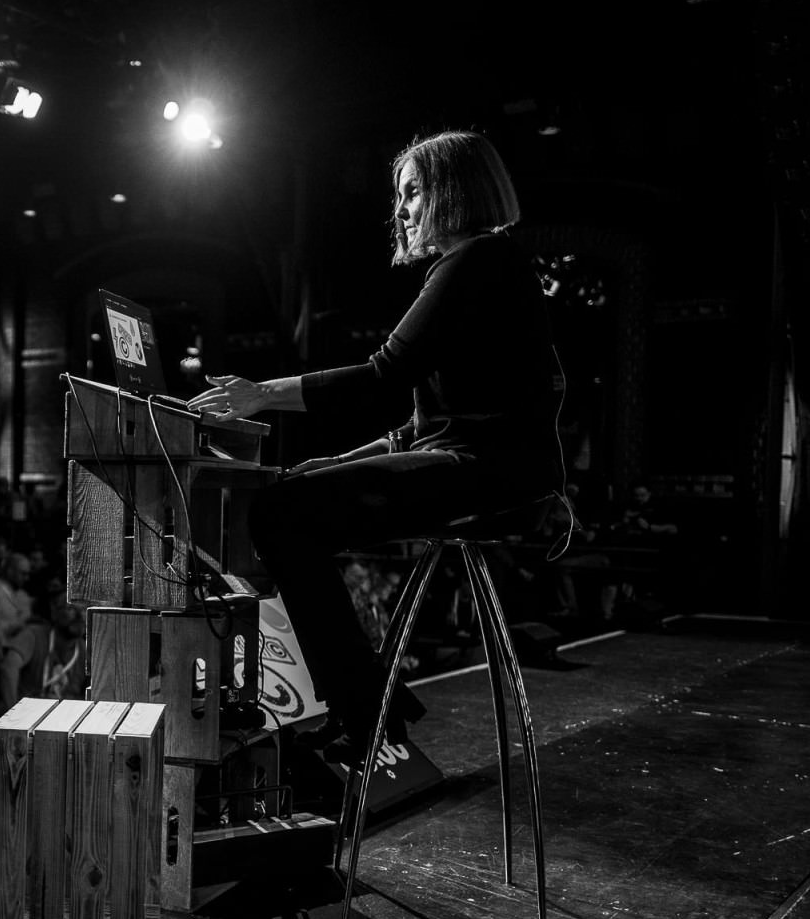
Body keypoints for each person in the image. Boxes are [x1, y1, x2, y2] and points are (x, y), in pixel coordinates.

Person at [187, 130, 562, 758]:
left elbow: (383, 376)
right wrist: (344, 460)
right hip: (492, 463)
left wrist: (260, 394)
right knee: (292, 502)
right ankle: (376, 699)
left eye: (414, 192)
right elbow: (418, 427)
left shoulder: (476, 261)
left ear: (453, 191)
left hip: (493, 470)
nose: (404, 210)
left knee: (278, 513)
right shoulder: (486, 266)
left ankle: (366, 710)